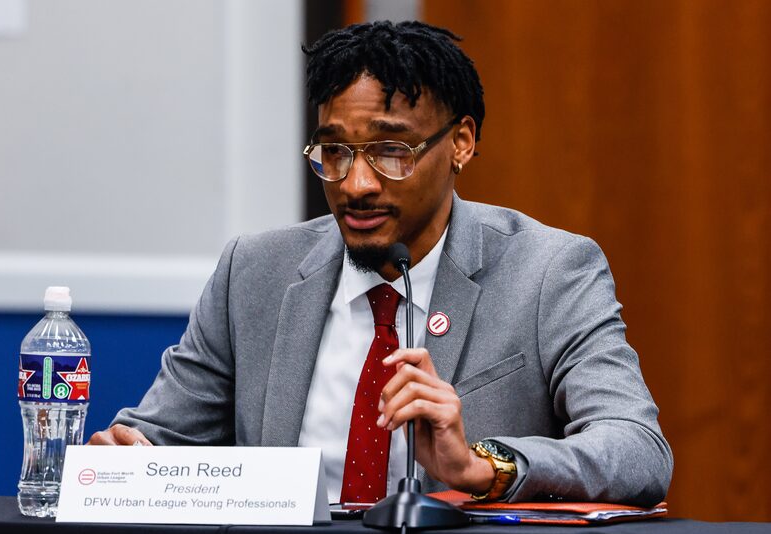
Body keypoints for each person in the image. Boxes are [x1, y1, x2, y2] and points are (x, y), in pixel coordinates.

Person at [90, 21, 672, 507]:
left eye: (392, 152)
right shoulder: (255, 273)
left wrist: (479, 465)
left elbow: (637, 450)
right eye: (335, 152)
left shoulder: (549, 272)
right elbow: (160, 439)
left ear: (462, 142)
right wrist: (124, 460)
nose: (357, 184)